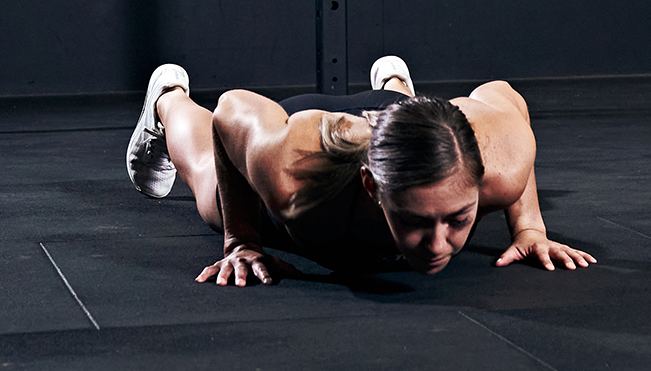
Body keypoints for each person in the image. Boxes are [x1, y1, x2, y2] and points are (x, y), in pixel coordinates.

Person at [126, 56, 595, 286]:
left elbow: (502, 94)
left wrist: (530, 226)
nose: (438, 246)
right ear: (372, 187)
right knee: (211, 188)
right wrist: (241, 241)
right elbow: (232, 110)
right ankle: (169, 96)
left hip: (405, 119)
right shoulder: (295, 179)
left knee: (422, 122)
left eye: (457, 219)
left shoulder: (503, 164)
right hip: (309, 133)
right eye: (414, 220)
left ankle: (397, 90)